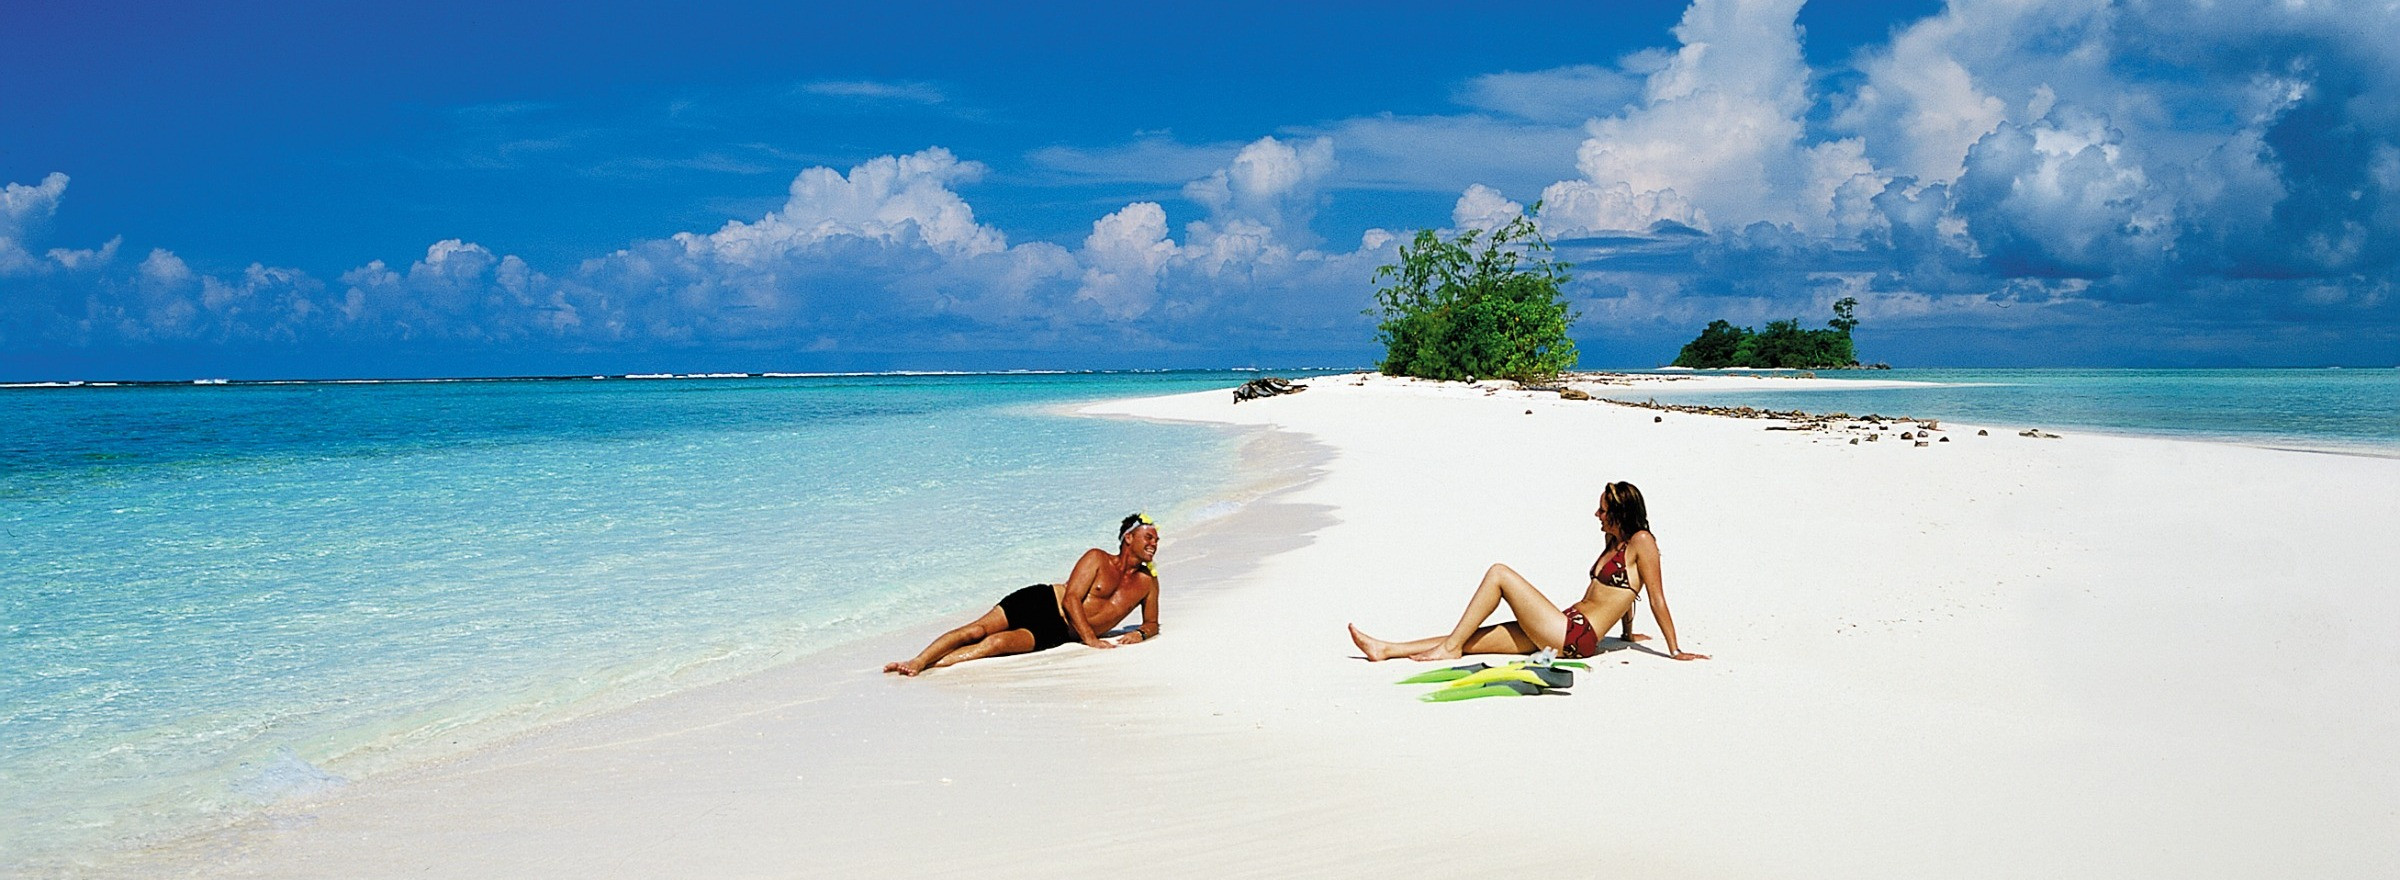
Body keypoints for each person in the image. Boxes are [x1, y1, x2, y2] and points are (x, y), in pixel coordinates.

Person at [1348, 481, 1707, 662]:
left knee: (1499, 573)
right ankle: (1386, 649)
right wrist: (1627, 634)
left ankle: (1449, 648)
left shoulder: (1643, 541)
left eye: (1602, 510)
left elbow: (1656, 596)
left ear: (1619, 513)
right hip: (1564, 624)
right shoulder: (1614, 543)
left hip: (1573, 636)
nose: (1596, 515)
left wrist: (1674, 650)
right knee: (1471, 637)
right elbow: (1625, 593)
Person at [883, 513, 1162, 675]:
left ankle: (931, 666)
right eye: (1148, 537)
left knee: (996, 645)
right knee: (977, 631)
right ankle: (918, 661)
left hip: (1059, 632)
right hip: (1042, 602)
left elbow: (1151, 623)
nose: (1154, 543)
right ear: (1129, 538)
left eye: (1156, 540)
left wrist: (1140, 634)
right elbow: (1071, 599)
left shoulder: (1147, 582)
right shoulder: (1097, 558)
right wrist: (1091, 640)